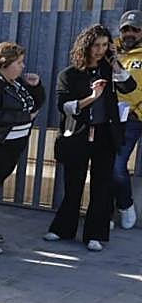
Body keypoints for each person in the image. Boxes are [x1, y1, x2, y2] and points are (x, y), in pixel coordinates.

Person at [46, 24, 137, 251]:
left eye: (105, 45)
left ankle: (95, 234)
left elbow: (129, 86)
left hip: (105, 134)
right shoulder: (69, 74)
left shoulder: (109, 71)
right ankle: (62, 228)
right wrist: (92, 97)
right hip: (78, 134)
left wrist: (115, 63)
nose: (100, 50)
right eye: (96, 45)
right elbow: (64, 106)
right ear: (86, 45)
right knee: (73, 184)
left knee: (102, 185)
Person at [0, 41, 45, 254]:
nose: (23, 66)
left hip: (11, 145)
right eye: (19, 62)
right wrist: (23, 117)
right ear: (5, 64)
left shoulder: (13, 81)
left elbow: (35, 103)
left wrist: (36, 86)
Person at [112, 9, 142, 230]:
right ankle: (124, 206)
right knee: (115, 167)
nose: (130, 33)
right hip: (120, 118)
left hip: (135, 115)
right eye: (126, 29)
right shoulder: (111, 51)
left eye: (135, 29)